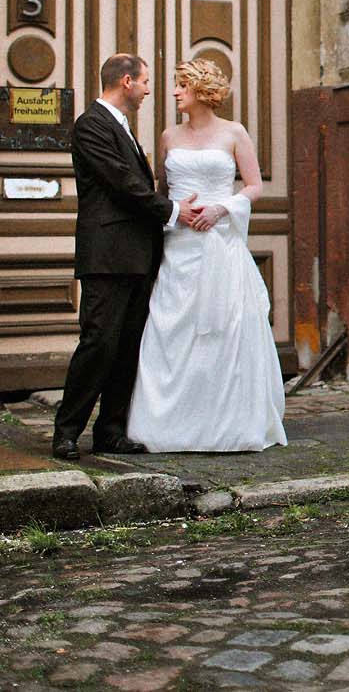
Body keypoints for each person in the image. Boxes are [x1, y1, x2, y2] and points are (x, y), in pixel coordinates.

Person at [126, 58, 288, 452]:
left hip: (219, 243)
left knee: (223, 327)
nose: (175, 92)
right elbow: (161, 194)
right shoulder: (168, 137)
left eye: (182, 85)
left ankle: (227, 424)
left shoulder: (234, 133)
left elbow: (253, 187)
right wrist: (175, 214)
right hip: (179, 247)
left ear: (200, 90)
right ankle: (169, 426)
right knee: (174, 330)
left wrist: (221, 208)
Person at [54, 53, 199, 460]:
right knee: (99, 341)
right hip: (107, 255)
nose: (150, 90)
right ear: (126, 81)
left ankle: (110, 431)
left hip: (137, 254)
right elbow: (121, 183)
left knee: (128, 345)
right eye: (146, 81)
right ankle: (66, 431)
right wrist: (172, 211)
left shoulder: (123, 126)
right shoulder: (91, 125)